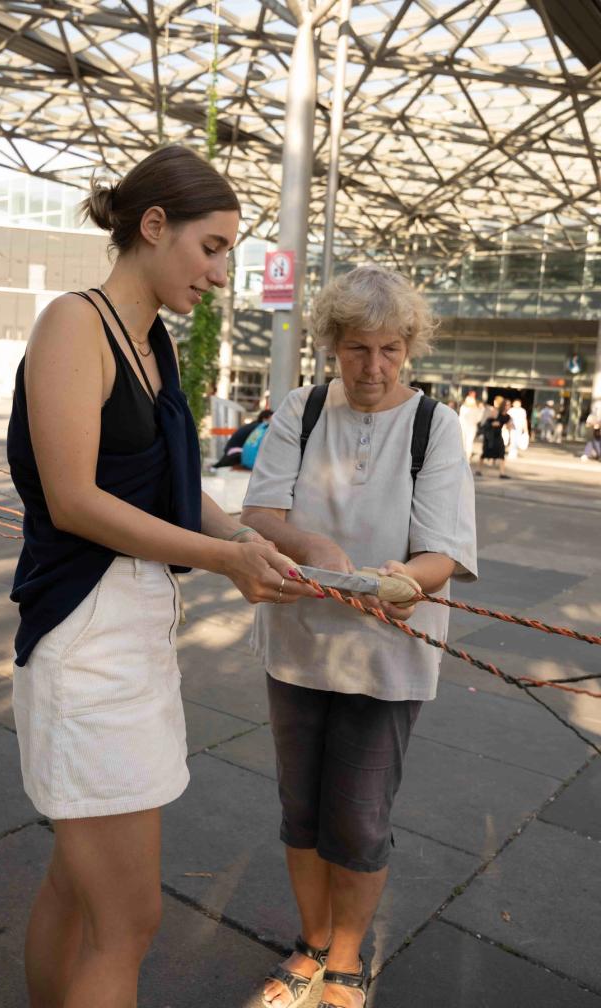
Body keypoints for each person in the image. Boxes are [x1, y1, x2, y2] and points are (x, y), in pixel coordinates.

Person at [6, 144, 319, 1008]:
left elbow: (175, 497)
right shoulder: (76, 322)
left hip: (133, 636)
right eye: (212, 246)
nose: (221, 272)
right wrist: (225, 558)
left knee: (78, 890)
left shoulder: (152, 344)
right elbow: (73, 499)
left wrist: (256, 546)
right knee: (130, 921)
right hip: (86, 639)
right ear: (153, 227)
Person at [241, 265, 477, 1008]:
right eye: (357, 350)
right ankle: (312, 944)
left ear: (408, 348)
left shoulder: (435, 426)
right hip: (299, 643)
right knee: (301, 810)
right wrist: (314, 550)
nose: (373, 368)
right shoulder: (301, 410)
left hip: (388, 653)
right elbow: (260, 513)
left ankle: (346, 956)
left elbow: (444, 548)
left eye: (389, 350)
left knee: (361, 814)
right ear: (331, 347)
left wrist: (411, 580)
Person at [476, 403, 511, 478]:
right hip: (489, 437)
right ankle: (479, 470)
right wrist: (492, 424)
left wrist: (510, 426)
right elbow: (483, 426)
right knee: (485, 453)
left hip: (498, 437)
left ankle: (502, 473)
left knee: (501, 454)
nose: (494, 413)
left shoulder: (505, 417)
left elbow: (508, 425)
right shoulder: (490, 418)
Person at [458, 390, 483, 462]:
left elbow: (478, 418)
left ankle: (467, 457)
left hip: (471, 427)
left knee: (468, 442)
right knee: (464, 441)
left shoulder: (475, 408)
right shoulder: (464, 407)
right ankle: (464, 457)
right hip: (465, 426)